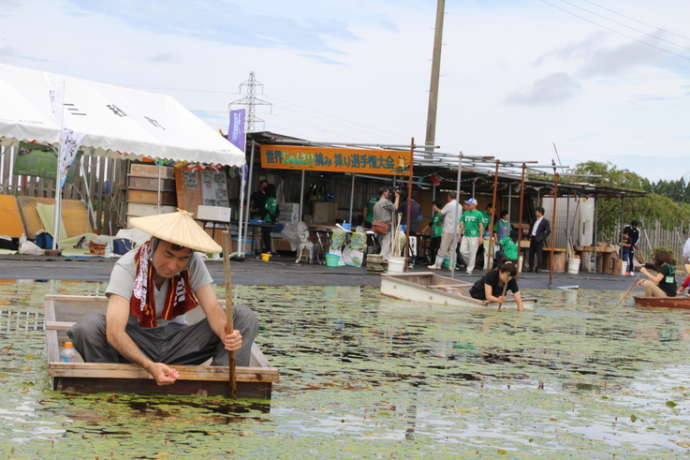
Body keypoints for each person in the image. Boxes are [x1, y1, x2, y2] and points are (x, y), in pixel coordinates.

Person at [68, 210, 258, 386]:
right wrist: (149, 366)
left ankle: (220, 387)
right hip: (137, 343)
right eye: (168, 254)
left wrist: (227, 335)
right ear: (153, 245)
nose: (173, 265)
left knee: (242, 316)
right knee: (88, 326)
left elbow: (213, 309)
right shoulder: (128, 265)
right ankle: (111, 386)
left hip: (177, 342)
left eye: (182, 258)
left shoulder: (193, 264)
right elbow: (114, 332)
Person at [427, 193, 461, 270]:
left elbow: (442, 213)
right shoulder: (460, 206)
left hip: (448, 230)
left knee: (443, 248)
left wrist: (437, 209)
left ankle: (437, 265)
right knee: (453, 249)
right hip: (456, 230)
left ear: (449, 197)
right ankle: (452, 266)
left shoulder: (449, 204)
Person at [373, 187, 399, 261]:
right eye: (388, 192)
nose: (389, 194)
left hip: (377, 227)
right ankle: (380, 262)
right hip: (385, 227)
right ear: (384, 193)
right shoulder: (385, 202)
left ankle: (385, 261)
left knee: (384, 246)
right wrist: (397, 198)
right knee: (386, 246)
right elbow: (395, 208)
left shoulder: (376, 204)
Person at [459, 198, 484, 274]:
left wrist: (481, 237)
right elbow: (462, 224)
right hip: (466, 235)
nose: (468, 205)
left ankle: (469, 269)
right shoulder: (465, 213)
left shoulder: (479, 214)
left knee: (473, 253)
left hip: (474, 236)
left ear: (474, 205)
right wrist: (460, 234)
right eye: (467, 204)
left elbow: (481, 226)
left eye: (469, 204)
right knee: (462, 251)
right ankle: (470, 263)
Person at [528, 207, 551, 273]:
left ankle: (538, 268)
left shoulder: (545, 221)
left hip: (539, 240)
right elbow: (531, 227)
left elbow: (548, 231)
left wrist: (542, 237)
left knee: (539, 254)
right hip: (532, 238)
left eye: (537, 211)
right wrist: (529, 235)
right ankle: (530, 267)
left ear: (540, 213)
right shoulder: (534, 220)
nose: (535, 213)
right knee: (531, 254)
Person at [422, 200, 444, 265]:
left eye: (433, 206)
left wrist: (442, 225)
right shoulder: (435, 214)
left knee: (437, 249)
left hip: (440, 234)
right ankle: (432, 262)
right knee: (431, 248)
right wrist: (424, 229)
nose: (433, 207)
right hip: (434, 234)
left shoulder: (442, 213)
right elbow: (431, 223)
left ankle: (437, 263)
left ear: (436, 206)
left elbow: (445, 222)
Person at [260, 184, 280, 253]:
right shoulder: (273, 199)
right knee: (266, 234)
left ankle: (268, 249)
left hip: (268, 219)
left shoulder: (271, 199)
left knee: (266, 234)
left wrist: (266, 210)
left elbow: (271, 210)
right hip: (268, 219)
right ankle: (267, 249)